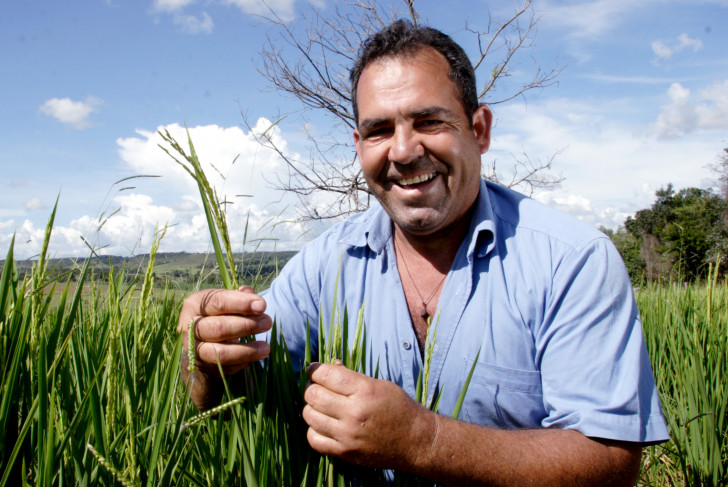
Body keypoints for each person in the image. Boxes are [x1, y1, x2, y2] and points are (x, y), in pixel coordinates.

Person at [178, 20, 669, 485]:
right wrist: (204, 356)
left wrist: (422, 440)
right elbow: (231, 392)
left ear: (479, 130)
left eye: (429, 121)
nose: (404, 150)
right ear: (358, 145)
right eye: (379, 131)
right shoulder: (325, 265)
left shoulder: (573, 261)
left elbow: (611, 464)